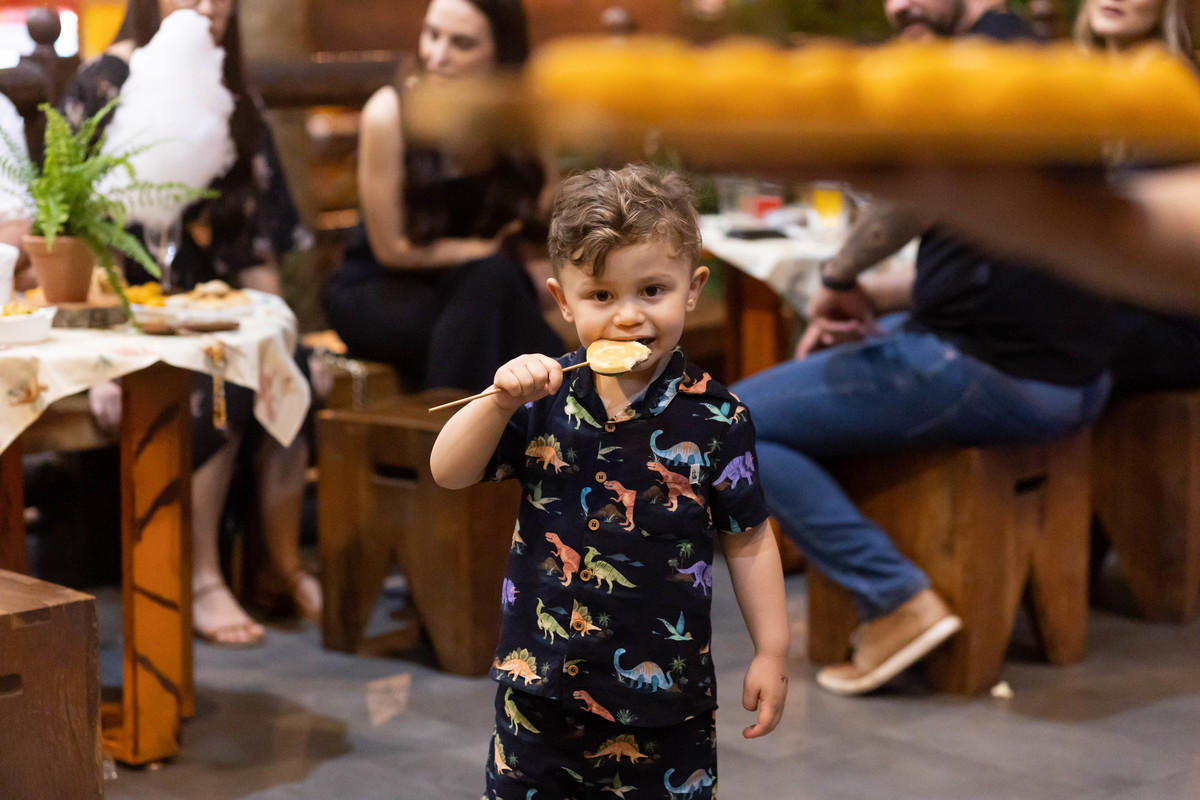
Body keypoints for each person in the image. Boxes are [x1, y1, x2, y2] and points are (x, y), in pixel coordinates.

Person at [731, 0, 1120, 696]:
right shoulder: (1036, 57)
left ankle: (895, 600)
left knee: (731, 423)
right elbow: (1003, 262)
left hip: (995, 370)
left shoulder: (976, 63)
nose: (896, 6)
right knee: (812, 371)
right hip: (1072, 369)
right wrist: (871, 296)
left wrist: (840, 275)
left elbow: (915, 193)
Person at [430, 164, 788, 798]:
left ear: (692, 289)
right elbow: (448, 472)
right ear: (562, 300)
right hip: (538, 697)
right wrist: (496, 403)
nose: (627, 317)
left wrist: (773, 651)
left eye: (652, 290)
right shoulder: (542, 396)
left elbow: (750, 538)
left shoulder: (718, 418)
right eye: (600, 296)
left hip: (665, 707)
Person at [59, 0, 318, 647]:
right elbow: (74, 237)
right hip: (122, 311)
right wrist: (101, 365)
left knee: (293, 367)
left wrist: (282, 333)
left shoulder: (237, 98)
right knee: (220, 385)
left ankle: (279, 565)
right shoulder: (104, 85)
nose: (209, 5)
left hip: (210, 304)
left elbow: (256, 248)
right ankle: (201, 575)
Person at [323, 0, 564, 392]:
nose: (436, 56)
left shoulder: (522, 114)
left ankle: (449, 426)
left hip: (476, 291)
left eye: (462, 43)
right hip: (383, 292)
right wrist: (488, 252)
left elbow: (543, 217)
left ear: (502, 53)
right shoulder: (389, 112)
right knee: (494, 295)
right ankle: (572, 407)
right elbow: (392, 250)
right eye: (431, 34)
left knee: (489, 295)